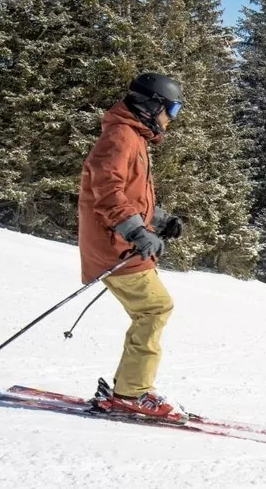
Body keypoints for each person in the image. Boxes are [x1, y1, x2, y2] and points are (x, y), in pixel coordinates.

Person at [78, 72, 187, 419]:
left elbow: (130, 194)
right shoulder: (121, 137)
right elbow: (106, 191)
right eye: (172, 108)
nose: (172, 118)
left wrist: (158, 219)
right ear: (151, 104)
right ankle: (132, 392)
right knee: (154, 308)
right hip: (115, 246)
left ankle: (130, 385)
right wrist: (137, 232)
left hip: (118, 242)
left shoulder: (132, 136)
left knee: (152, 309)